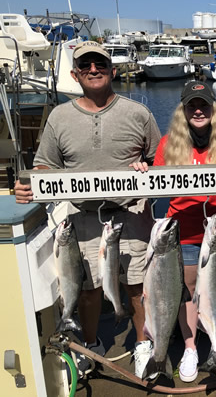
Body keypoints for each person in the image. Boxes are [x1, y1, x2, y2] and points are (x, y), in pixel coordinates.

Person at [14, 41, 162, 378]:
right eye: (85, 66)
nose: (93, 70)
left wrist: (146, 166)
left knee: (137, 286)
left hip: (131, 212)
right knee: (88, 288)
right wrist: (28, 184)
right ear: (75, 74)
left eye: (99, 64)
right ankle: (92, 344)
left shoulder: (139, 113)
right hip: (83, 218)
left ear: (112, 70)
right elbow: (44, 167)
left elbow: (161, 159)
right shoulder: (59, 117)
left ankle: (142, 344)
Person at [151, 81, 216, 383]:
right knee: (187, 292)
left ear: (214, 108)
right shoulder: (167, 144)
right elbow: (153, 182)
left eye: (204, 104)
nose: (199, 110)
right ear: (184, 110)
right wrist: (141, 171)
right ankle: (190, 347)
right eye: (192, 105)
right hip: (185, 232)